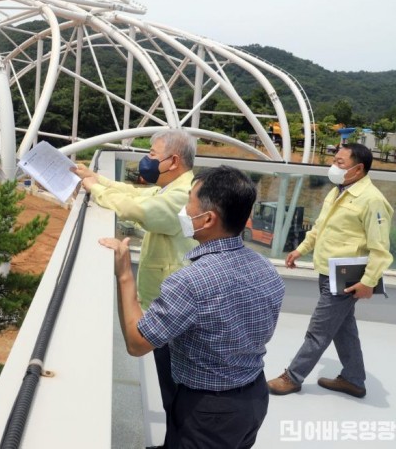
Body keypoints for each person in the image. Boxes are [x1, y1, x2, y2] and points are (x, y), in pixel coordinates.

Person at [100, 165, 285, 449]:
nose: (184, 210)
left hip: (208, 412)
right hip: (253, 396)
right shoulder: (266, 268)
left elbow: (137, 344)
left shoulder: (191, 281)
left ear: (208, 218)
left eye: (189, 202)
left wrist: (124, 275)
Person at [72, 129, 197, 447]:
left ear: (173, 161)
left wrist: (95, 191)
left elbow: (140, 211)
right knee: (169, 386)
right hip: (165, 299)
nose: (148, 160)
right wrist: (97, 180)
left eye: (153, 155)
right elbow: (136, 195)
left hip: (172, 304)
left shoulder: (182, 197)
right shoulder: (173, 187)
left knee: (174, 387)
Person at [267, 143, 393, 398]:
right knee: (343, 327)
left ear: (358, 169)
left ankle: (292, 377)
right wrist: (301, 249)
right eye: (334, 161)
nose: (333, 166)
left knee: (319, 330)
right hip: (328, 271)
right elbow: (320, 227)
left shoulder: (372, 200)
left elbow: (380, 249)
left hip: (346, 277)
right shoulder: (339, 191)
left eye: (340, 162)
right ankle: (354, 379)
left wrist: (369, 281)